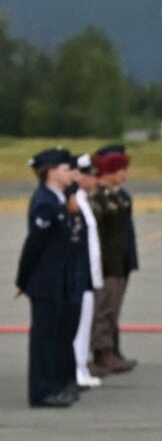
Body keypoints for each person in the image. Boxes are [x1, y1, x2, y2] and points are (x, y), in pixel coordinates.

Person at [16, 148, 86, 408]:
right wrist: (23, 279)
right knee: (44, 338)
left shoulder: (59, 199)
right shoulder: (44, 202)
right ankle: (42, 390)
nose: (71, 173)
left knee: (58, 335)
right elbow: (35, 244)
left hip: (61, 278)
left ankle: (56, 384)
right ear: (51, 172)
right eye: (66, 169)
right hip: (46, 280)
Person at [90, 150, 137, 375]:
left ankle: (108, 351)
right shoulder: (97, 198)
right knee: (103, 310)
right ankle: (100, 353)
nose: (124, 175)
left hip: (118, 262)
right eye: (120, 170)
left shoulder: (116, 196)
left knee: (112, 310)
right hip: (106, 264)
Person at [72, 154, 105, 389]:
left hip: (88, 274)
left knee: (84, 325)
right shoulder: (74, 202)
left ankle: (81, 368)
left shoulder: (83, 200)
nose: (95, 179)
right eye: (90, 175)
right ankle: (75, 369)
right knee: (77, 327)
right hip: (78, 274)